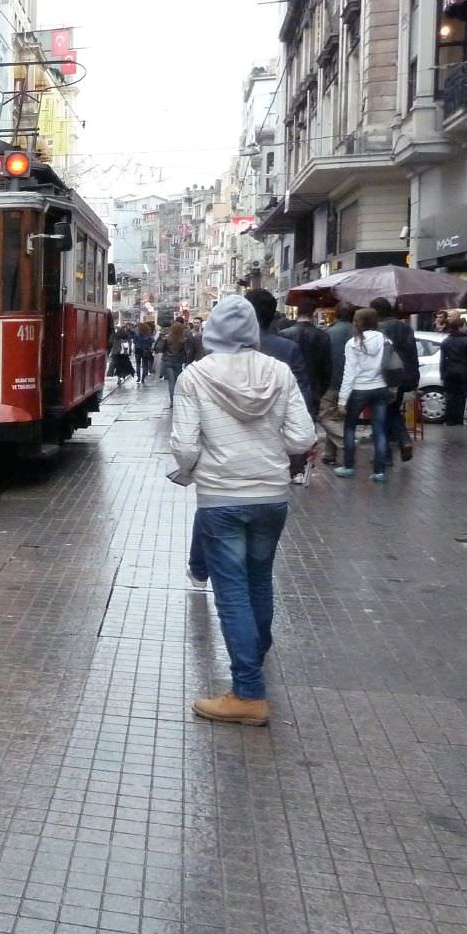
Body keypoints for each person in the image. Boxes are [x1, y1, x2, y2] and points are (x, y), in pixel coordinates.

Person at [170, 295, 315, 727]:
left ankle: (248, 692)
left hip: (221, 500)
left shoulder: (195, 377)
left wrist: (191, 470)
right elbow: (301, 438)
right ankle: (252, 657)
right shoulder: (280, 372)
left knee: (231, 592)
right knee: (258, 583)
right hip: (271, 498)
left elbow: (184, 446)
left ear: (212, 331)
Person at [334, 308, 392, 483]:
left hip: (359, 389)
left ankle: (349, 466)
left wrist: (343, 399)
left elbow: (349, 372)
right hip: (381, 387)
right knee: (380, 429)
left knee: (350, 427)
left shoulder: (353, 343)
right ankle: (379, 471)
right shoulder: (385, 340)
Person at [371, 296, 419, 463]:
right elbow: (413, 354)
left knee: (382, 414)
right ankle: (400, 444)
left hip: (386, 377)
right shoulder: (406, 328)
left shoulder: (378, 329)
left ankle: (387, 454)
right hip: (404, 376)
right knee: (391, 412)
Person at [278, 298, 331, 418]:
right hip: (314, 388)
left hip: (290, 387)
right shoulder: (322, 336)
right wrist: (321, 390)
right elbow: (327, 367)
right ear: (314, 314)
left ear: (298, 313)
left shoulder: (284, 334)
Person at [318, 303, 356, 466]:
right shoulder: (359, 333)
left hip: (331, 382)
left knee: (325, 417)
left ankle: (347, 442)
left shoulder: (328, 333)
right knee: (338, 418)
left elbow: (322, 360)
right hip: (353, 383)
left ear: (337, 315)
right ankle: (329, 454)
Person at [439, 316, 467, 427]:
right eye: (464, 326)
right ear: (460, 327)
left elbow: (442, 359)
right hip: (463, 372)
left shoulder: (446, 341)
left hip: (449, 372)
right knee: (461, 397)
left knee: (450, 396)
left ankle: (449, 420)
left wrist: (442, 374)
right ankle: (458, 419)